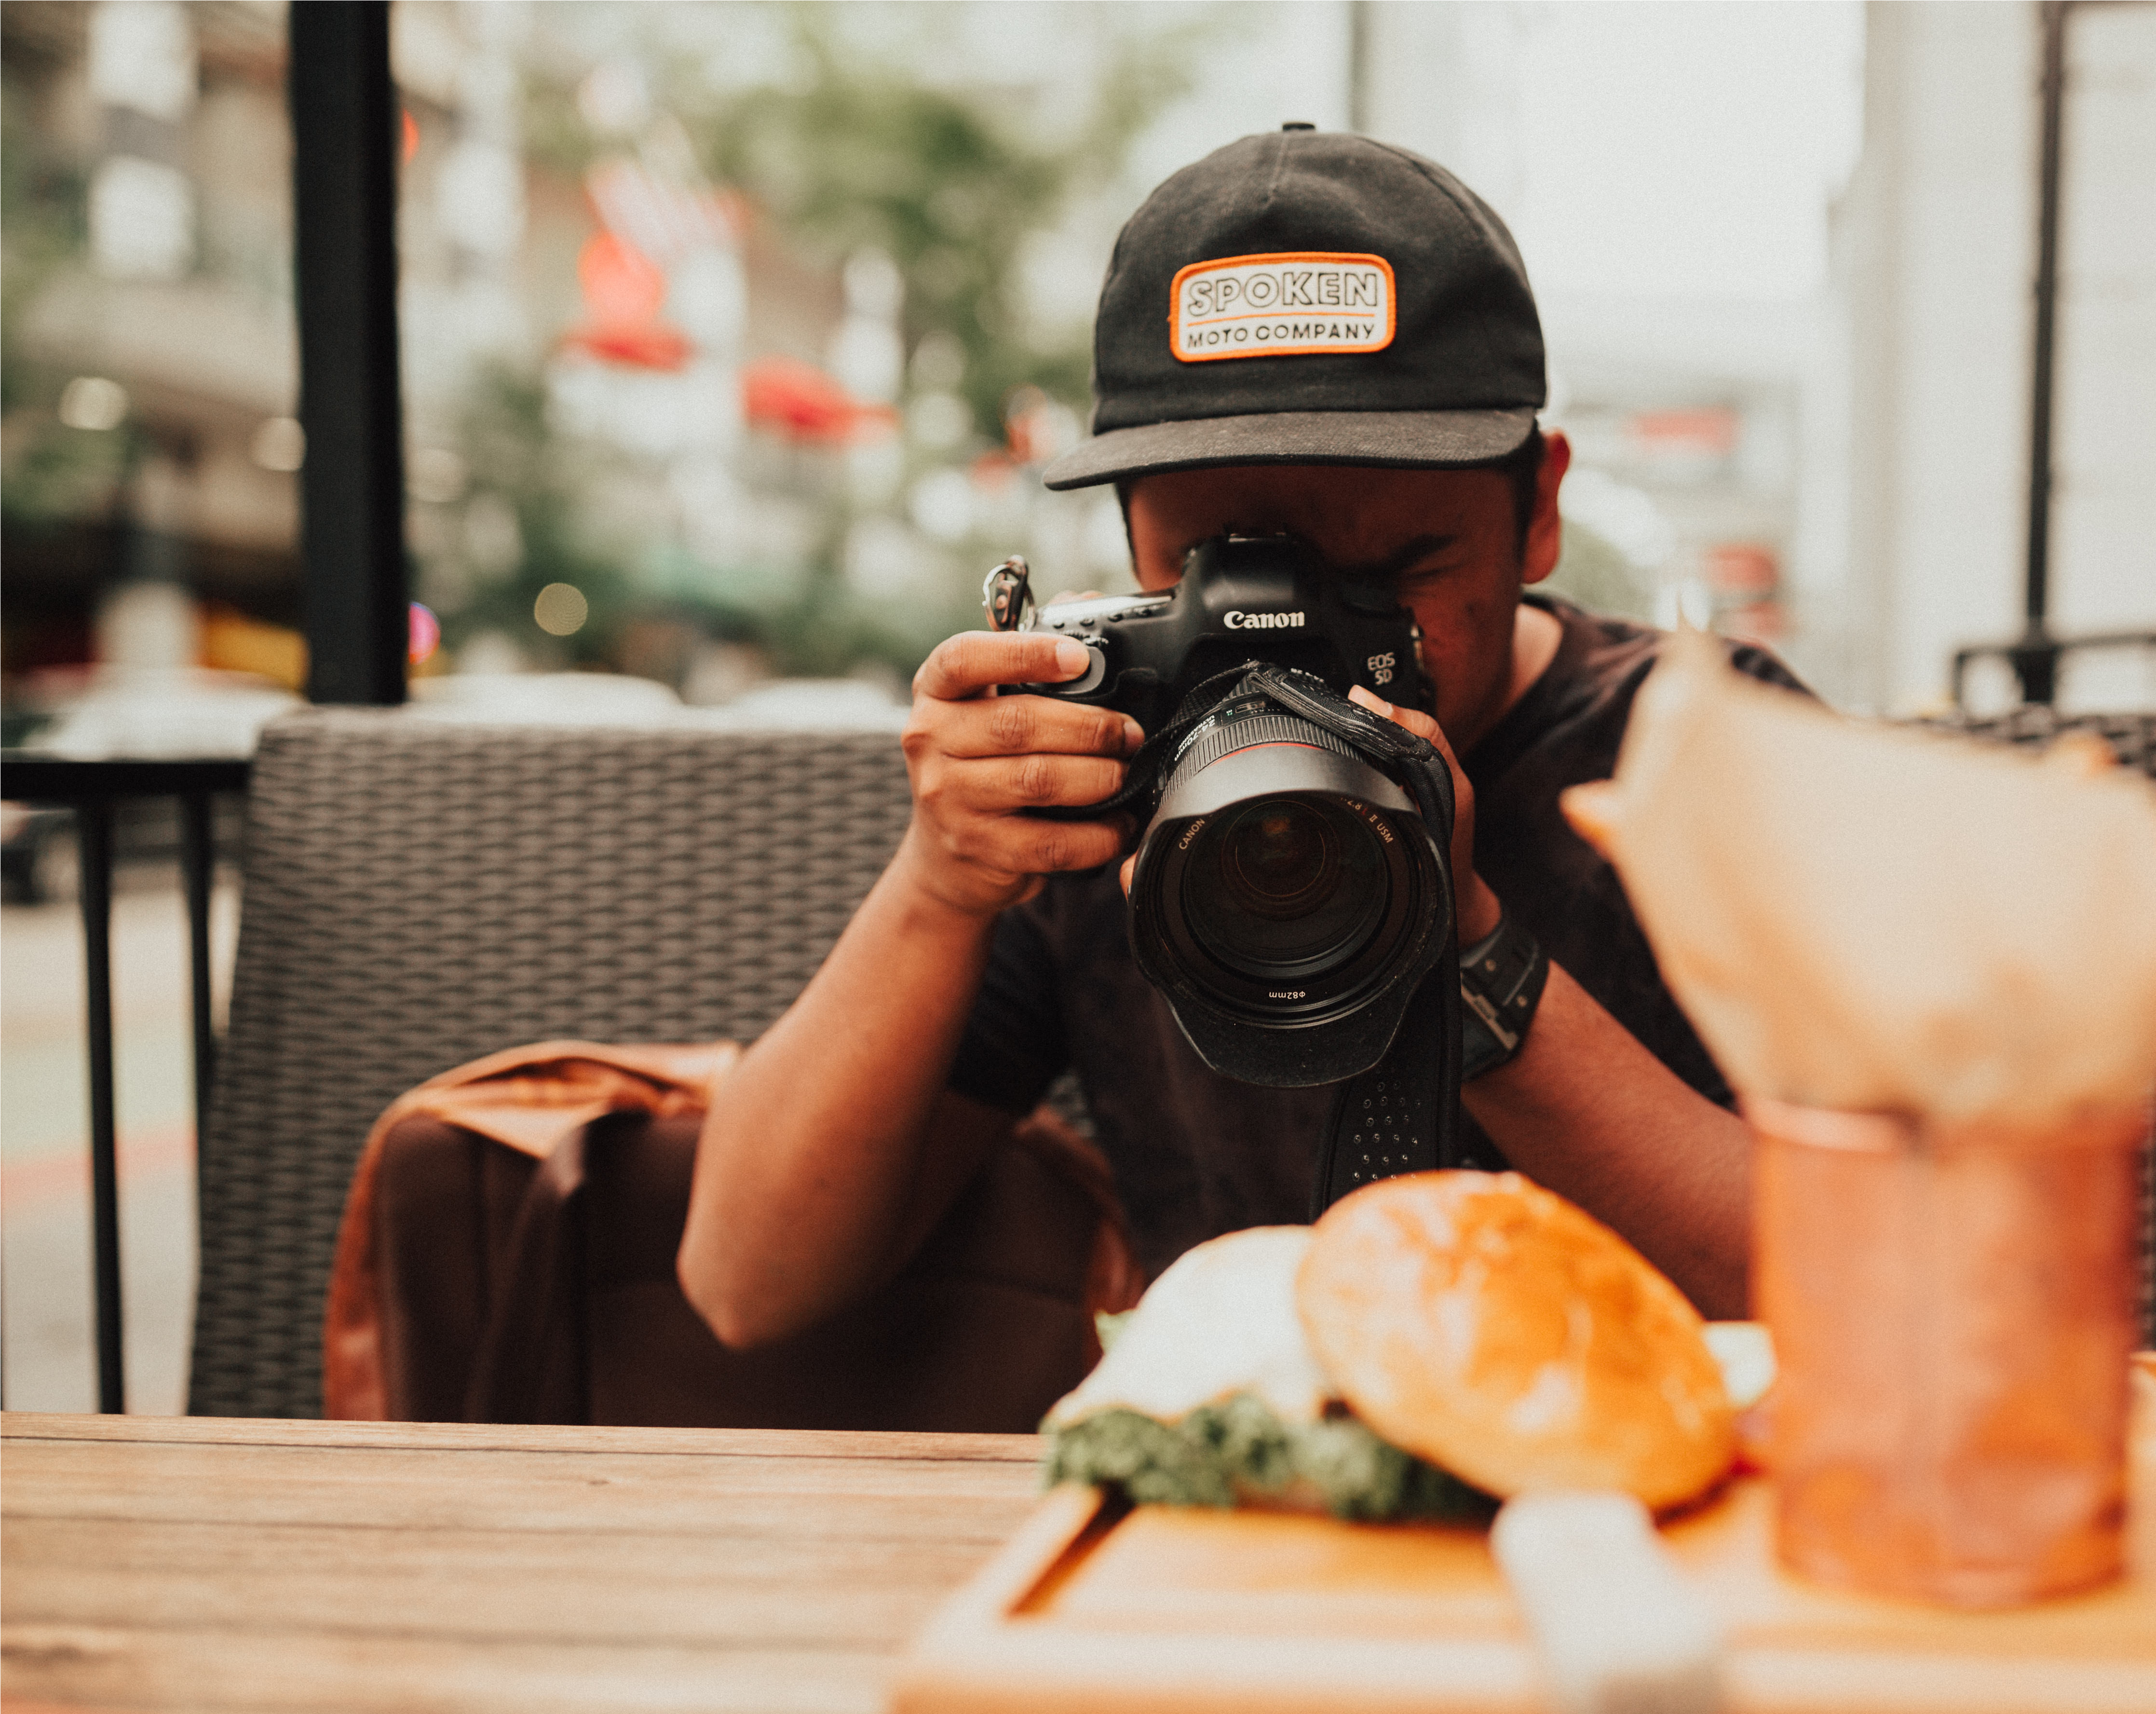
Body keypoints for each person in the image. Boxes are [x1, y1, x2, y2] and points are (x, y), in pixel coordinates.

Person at [680, 126, 1796, 1344]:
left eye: (1392, 570)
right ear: (1125, 539)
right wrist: (940, 885)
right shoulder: (1108, 762)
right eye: (1218, 576)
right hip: (1239, 1477)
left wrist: (1458, 940)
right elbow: (748, 1285)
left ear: (1540, 513)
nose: (1299, 638)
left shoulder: (1714, 750)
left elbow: (1851, 1290)